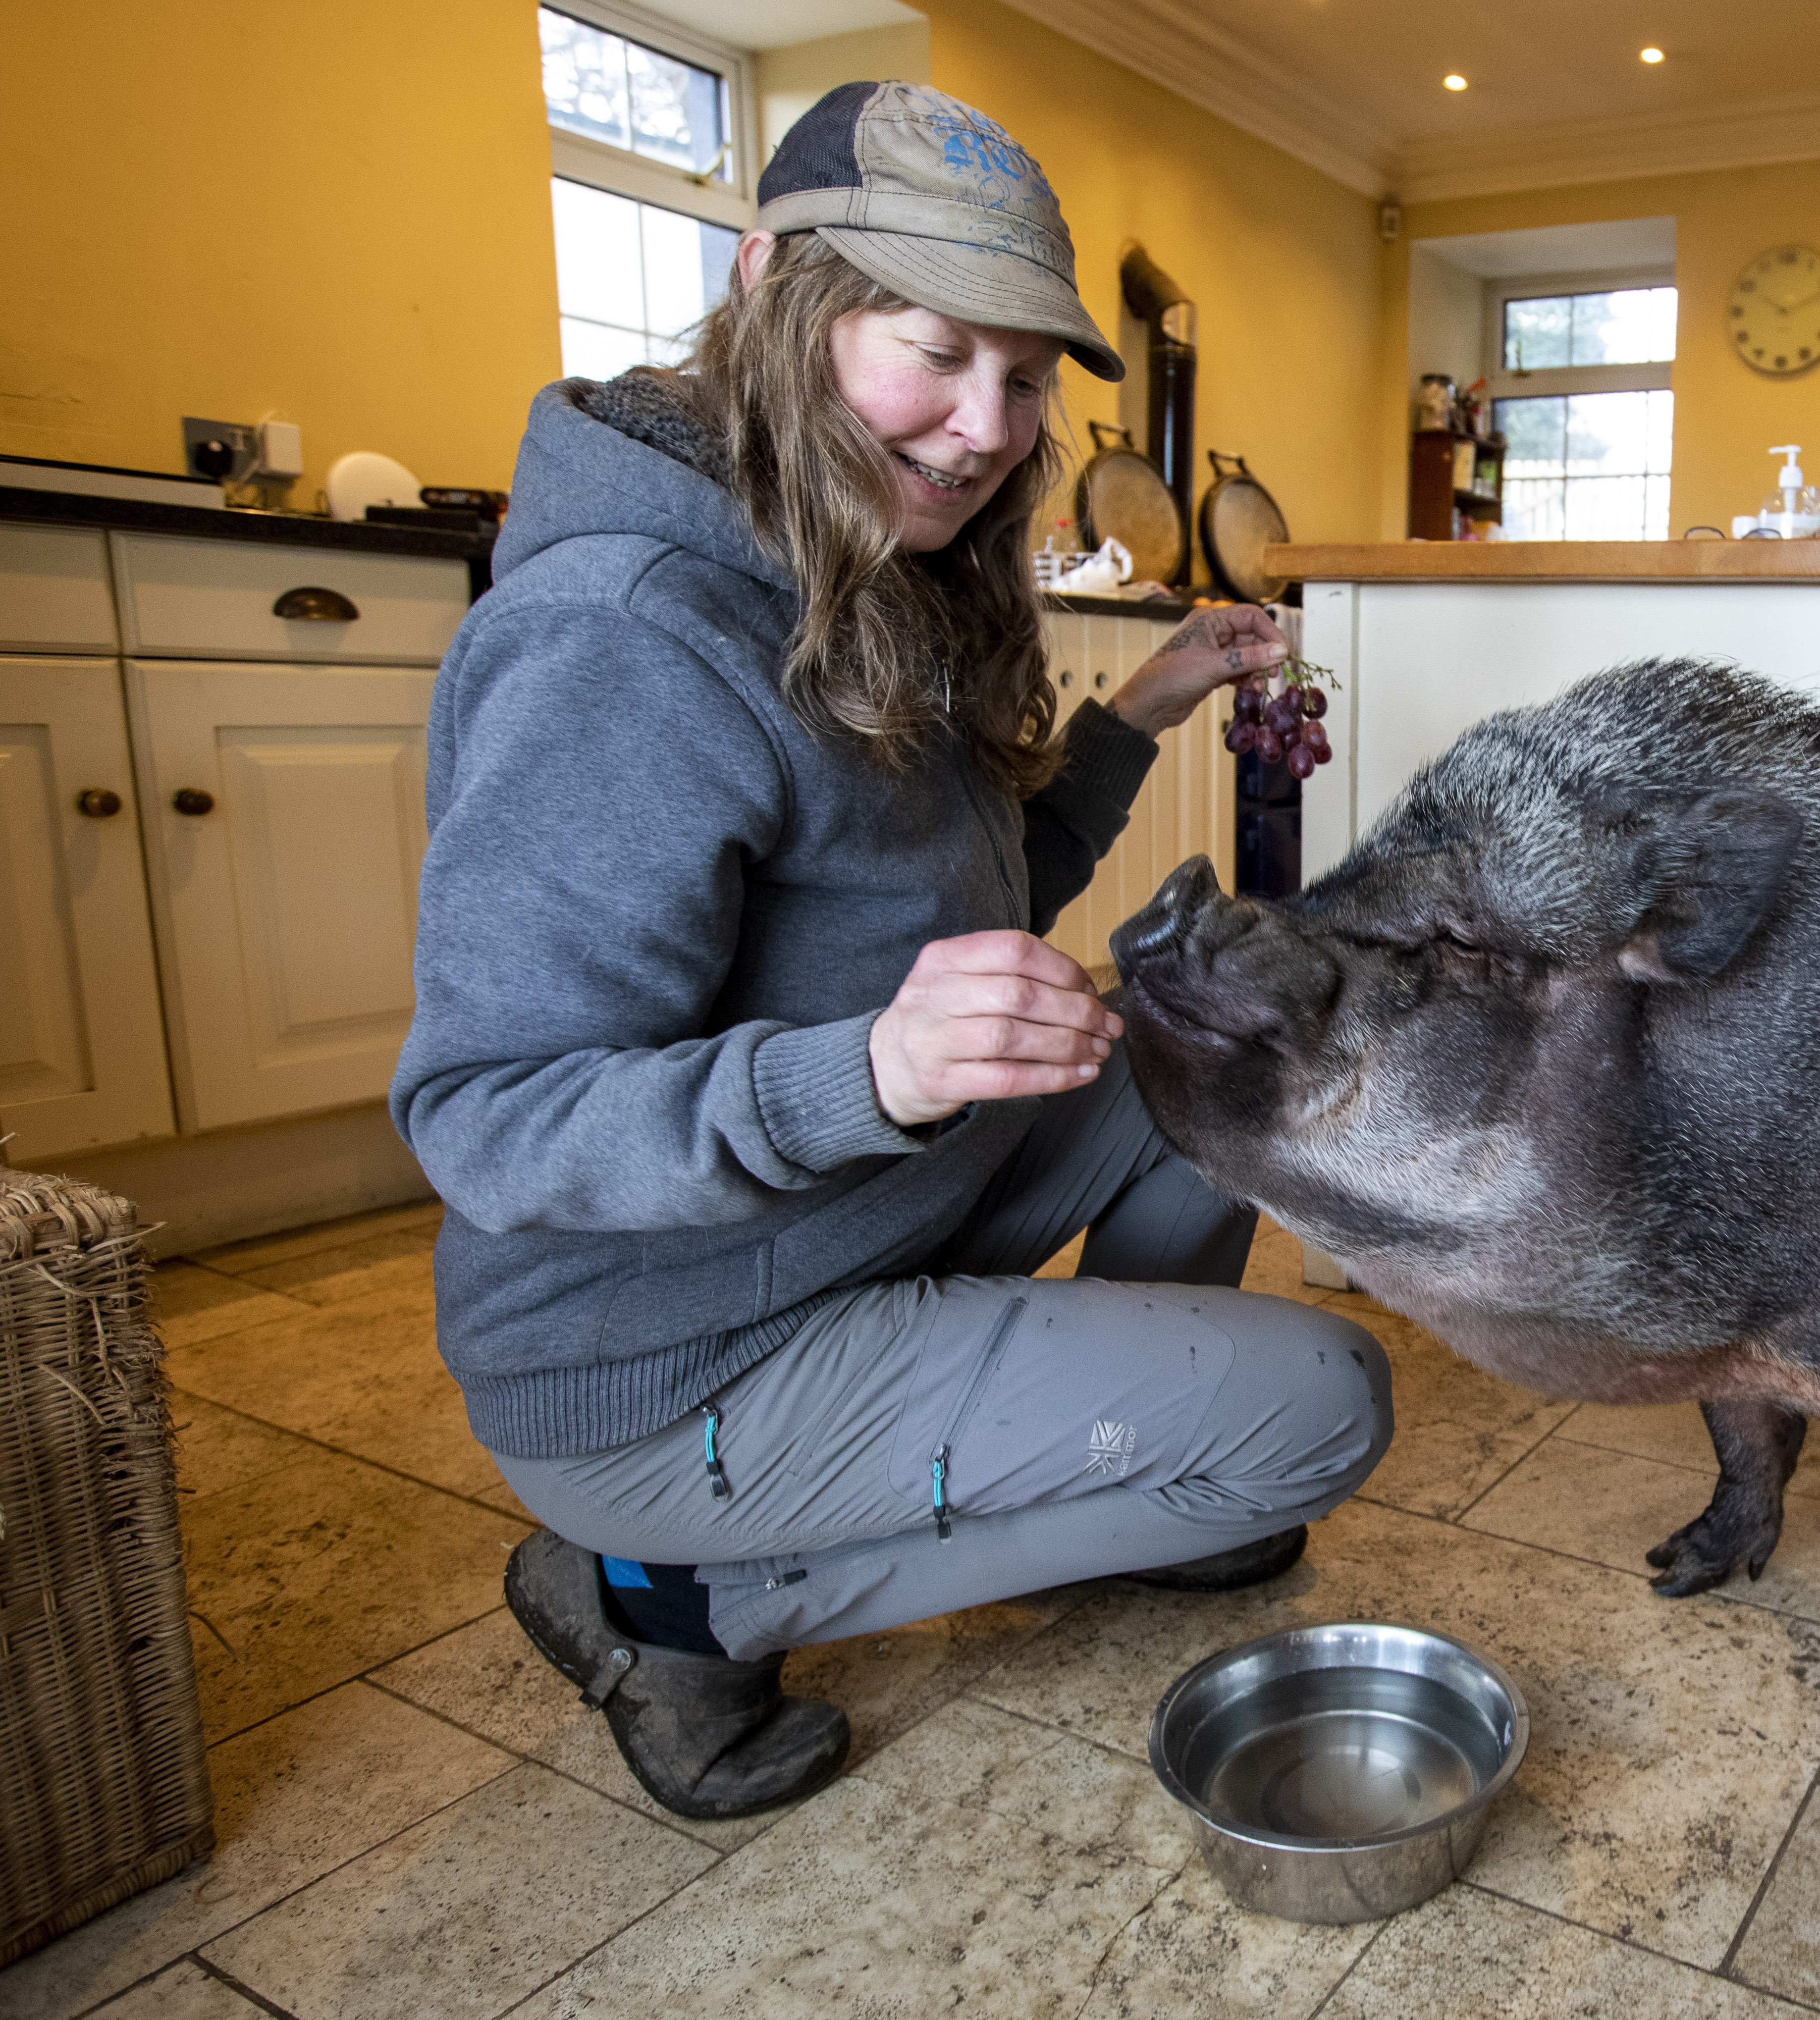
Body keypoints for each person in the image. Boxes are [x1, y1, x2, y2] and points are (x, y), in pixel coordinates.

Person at [390, 82, 1391, 1821]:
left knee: (1214, 1032)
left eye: (1023, 378)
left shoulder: (858, 559)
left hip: (846, 1222)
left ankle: (1126, 1438)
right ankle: (668, 1600)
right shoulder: (626, 636)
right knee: (1319, 1419)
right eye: (933, 352)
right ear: (774, 282)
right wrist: (865, 1071)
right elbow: (486, 1117)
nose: (985, 426)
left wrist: (1140, 711)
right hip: (660, 1361)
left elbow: (951, 914)